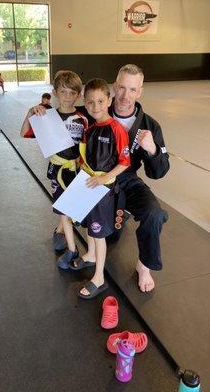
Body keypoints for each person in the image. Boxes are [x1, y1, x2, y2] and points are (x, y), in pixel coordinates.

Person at [77, 64, 170, 293]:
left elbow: (158, 172)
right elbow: (66, 110)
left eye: (132, 89)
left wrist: (153, 150)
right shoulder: (94, 110)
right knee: (107, 237)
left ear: (140, 91)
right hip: (96, 179)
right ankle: (116, 216)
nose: (125, 96)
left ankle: (145, 264)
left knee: (154, 213)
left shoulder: (150, 125)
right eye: (121, 88)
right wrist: (42, 110)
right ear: (114, 87)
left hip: (126, 179)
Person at [20, 70, 88, 267]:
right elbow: (24, 132)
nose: (67, 97)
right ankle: (72, 249)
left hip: (78, 170)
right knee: (63, 208)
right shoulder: (47, 116)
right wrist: (30, 113)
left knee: (70, 207)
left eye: (72, 93)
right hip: (58, 170)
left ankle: (59, 232)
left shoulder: (84, 117)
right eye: (63, 92)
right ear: (55, 92)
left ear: (79, 93)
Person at [74, 78, 130, 299]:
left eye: (100, 101)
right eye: (90, 103)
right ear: (85, 103)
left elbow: (124, 162)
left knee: (99, 233)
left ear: (109, 100)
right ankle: (90, 255)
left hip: (103, 191)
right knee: (89, 225)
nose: (95, 107)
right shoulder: (90, 129)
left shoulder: (116, 129)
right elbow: (86, 158)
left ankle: (99, 278)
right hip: (88, 185)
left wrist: (104, 178)